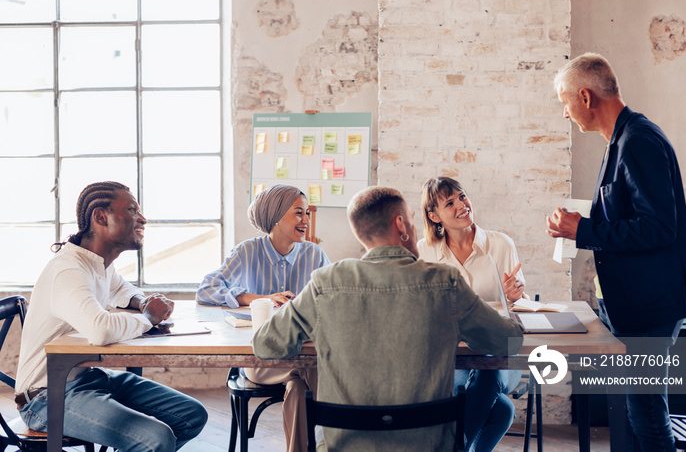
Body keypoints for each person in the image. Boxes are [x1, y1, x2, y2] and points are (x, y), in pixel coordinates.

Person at [252, 186, 524, 451]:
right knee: (499, 405)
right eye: (413, 221)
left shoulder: (326, 283)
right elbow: (508, 341)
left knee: (501, 408)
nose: (416, 229)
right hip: (427, 444)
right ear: (401, 225)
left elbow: (265, 345)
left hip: (345, 445)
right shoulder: (445, 282)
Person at [547, 52, 686, 451]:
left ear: (585, 96)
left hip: (649, 306)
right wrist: (579, 224)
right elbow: (631, 213)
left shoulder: (638, 141)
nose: (565, 113)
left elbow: (658, 227)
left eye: (564, 102)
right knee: (639, 412)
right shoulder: (620, 139)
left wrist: (583, 229)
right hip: (635, 304)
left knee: (647, 413)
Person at [15, 181, 207, 452]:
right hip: (46, 397)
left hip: (87, 378)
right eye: (131, 209)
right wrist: (149, 318)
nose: (143, 219)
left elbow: (120, 288)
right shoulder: (69, 269)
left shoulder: (98, 264)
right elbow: (100, 330)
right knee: (157, 439)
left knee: (192, 415)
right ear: (100, 217)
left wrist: (142, 302)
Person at [196, 184, 330, 452]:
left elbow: (334, 299)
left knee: (296, 386)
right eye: (298, 213)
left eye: (307, 214)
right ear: (277, 216)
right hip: (260, 358)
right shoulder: (247, 252)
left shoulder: (314, 255)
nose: (306, 220)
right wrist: (256, 298)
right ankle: (338, 441)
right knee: (317, 373)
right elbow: (205, 290)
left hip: (303, 355)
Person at [418, 176, 527, 452]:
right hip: (451, 356)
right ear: (434, 216)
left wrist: (515, 297)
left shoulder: (501, 244)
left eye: (462, 197)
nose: (462, 205)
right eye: (450, 203)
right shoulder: (425, 251)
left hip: (501, 354)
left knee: (486, 374)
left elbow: (520, 308)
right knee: (502, 410)